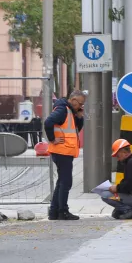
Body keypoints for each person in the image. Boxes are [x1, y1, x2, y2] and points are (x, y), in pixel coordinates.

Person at [44, 90, 86, 220]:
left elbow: (75, 130)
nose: (81, 106)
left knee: (61, 182)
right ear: (73, 101)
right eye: (80, 104)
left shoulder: (70, 111)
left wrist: (79, 117)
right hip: (62, 150)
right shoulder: (63, 110)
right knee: (66, 182)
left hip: (64, 151)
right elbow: (48, 122)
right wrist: (52, 139)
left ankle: (54, 212)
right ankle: (63, 211)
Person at [104, 139, 132, 220]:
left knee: (105, 195)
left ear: (124, 152)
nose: (118, 159)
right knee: (116, 212)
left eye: (118, 156)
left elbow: (129, 185)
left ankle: (130, 210)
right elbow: (128, 182)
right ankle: (130, 209)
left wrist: (117, 188)